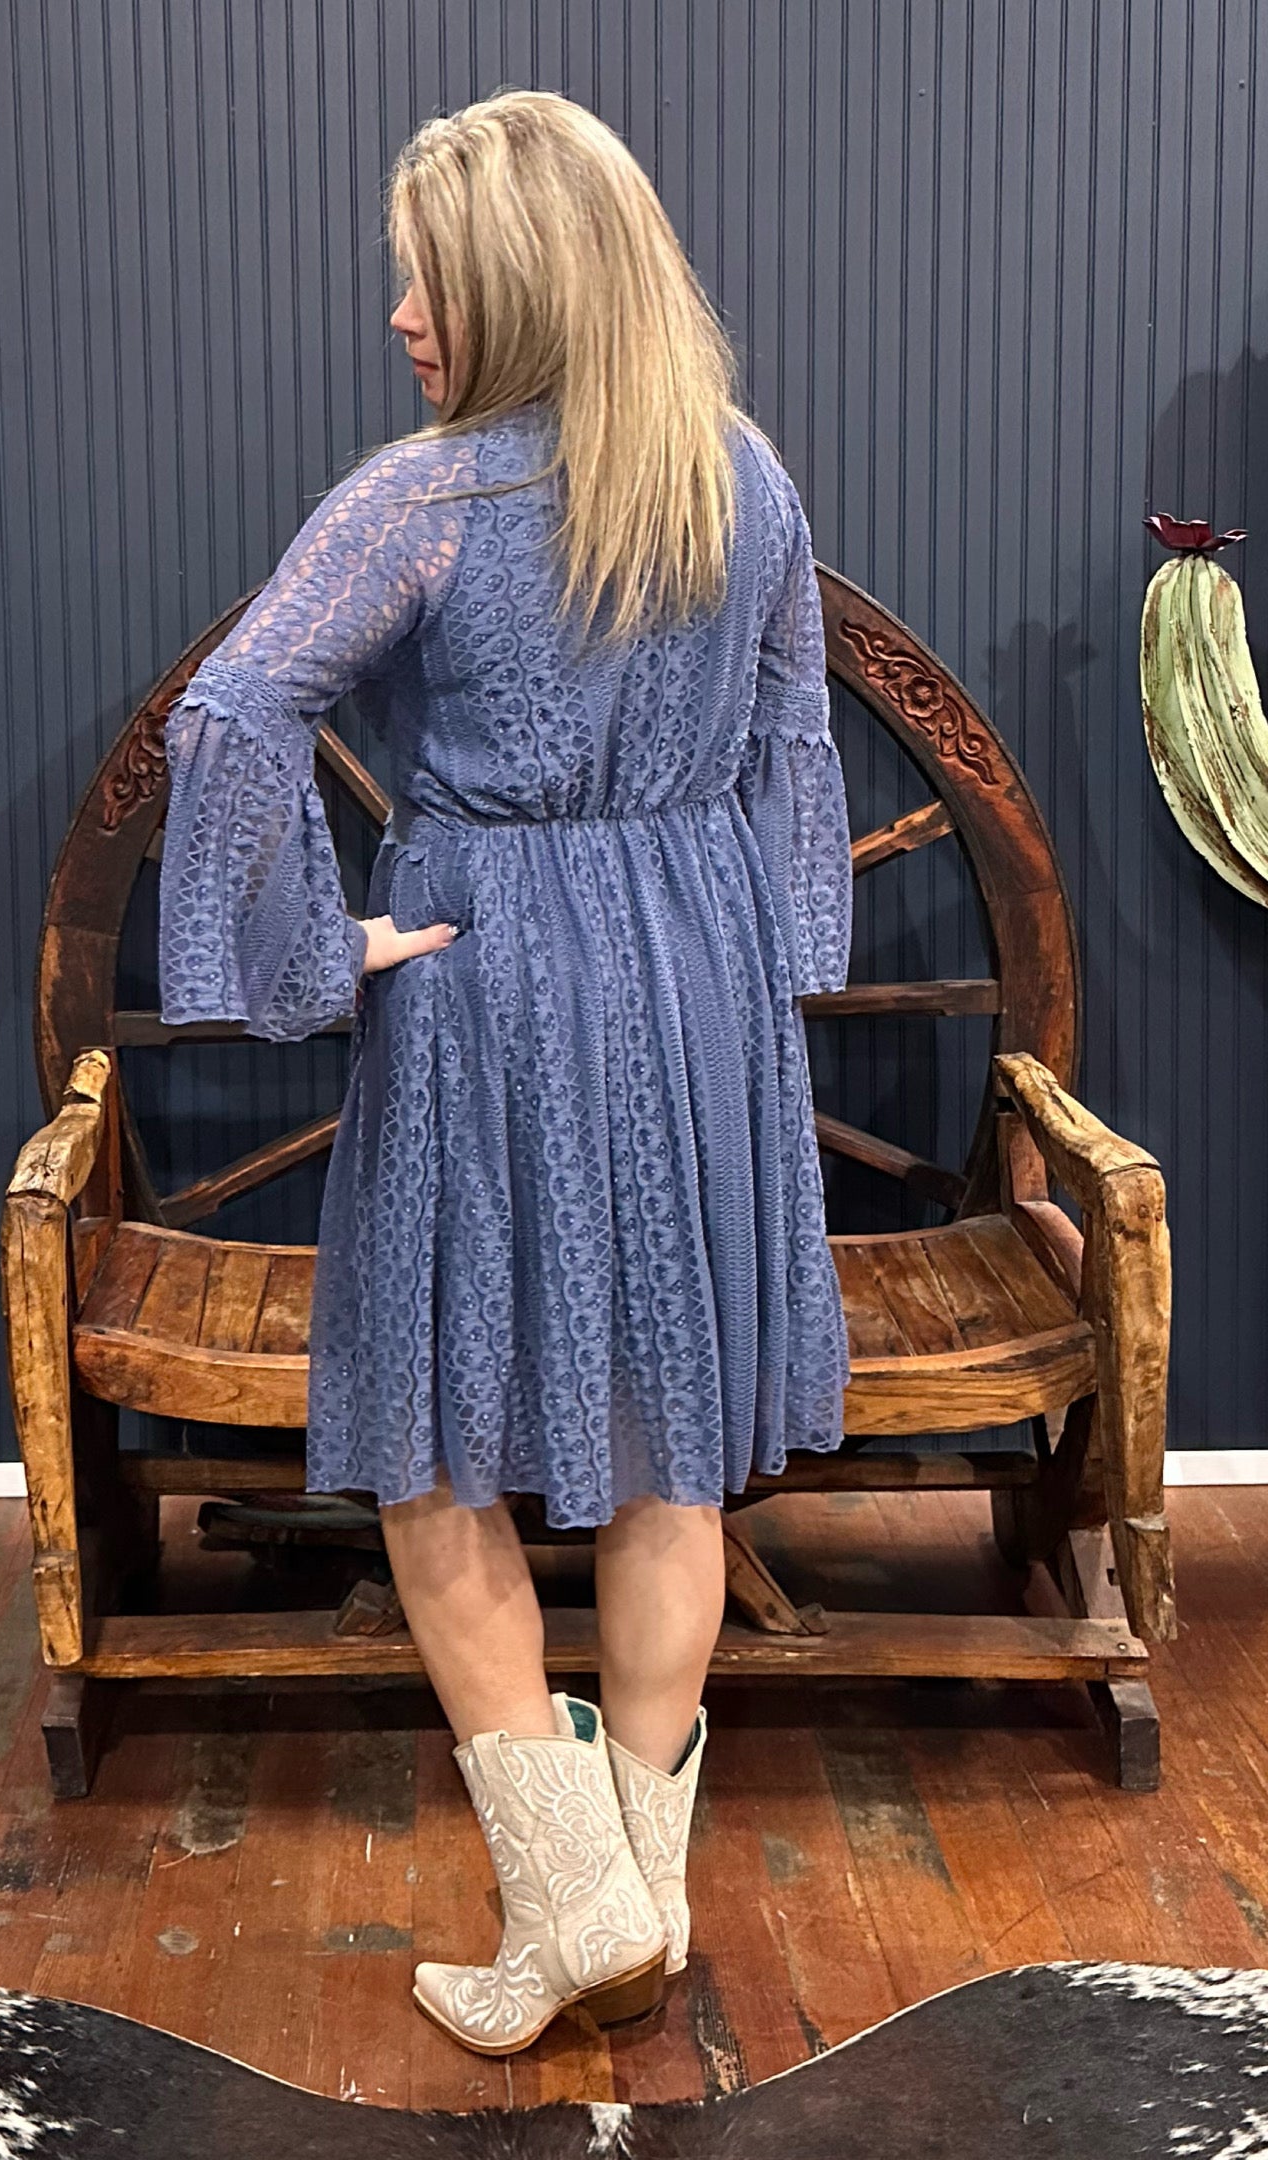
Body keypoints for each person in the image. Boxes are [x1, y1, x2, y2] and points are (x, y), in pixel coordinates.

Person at [157, 87, 852, 2057]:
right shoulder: (740, 479)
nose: (400, 313)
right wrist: (768, 961)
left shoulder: (425, 500)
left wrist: (318, 954)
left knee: (436, 1447)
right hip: (700, 985)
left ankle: (578, 1910)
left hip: (493, 989)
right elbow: (794, 747)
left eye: (432, 277)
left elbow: (232, 713)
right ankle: (637, 1902)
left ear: (528, 285)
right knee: (670, 1438)